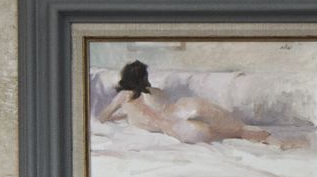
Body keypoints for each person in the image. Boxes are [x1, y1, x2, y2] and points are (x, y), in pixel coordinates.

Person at [94, 58, 283, 147]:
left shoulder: (123, 98)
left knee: (235, 134)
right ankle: (268, 137)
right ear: (145, 78)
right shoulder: (153, 92)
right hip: (186, 108)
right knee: (238, 128)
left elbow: (102, 117)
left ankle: (265, 137)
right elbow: (158, 106)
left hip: (177, 128)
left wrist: (123, 115)